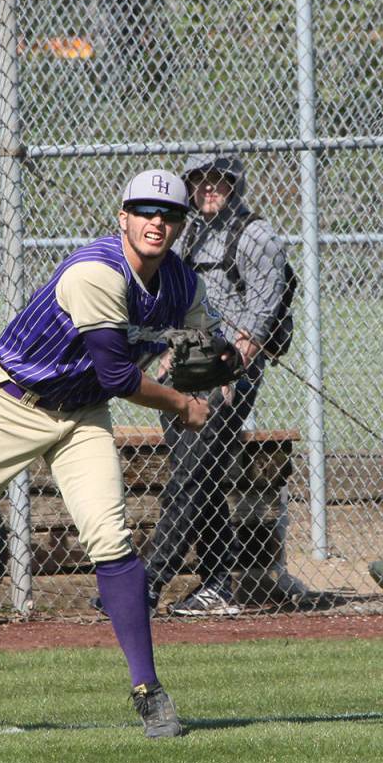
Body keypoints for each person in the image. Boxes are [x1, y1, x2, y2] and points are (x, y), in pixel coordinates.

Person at [0, 168, 236, 739]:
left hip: (81, 415)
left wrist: (227, 365)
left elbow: (204, 345)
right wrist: (182, 404)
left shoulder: (183, 285)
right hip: (11, 404)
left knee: (110, 537)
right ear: (123, 218)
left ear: (180, 225)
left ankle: (148, 690)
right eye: (144, 211)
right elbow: (118, 373)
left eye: (168, 215)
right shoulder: (96, 272)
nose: (156, 222)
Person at [146, 154, 293, 616]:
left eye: (219, 181)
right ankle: (218, 585)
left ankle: (147, 581)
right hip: (184, 369)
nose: (208, 188)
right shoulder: (188, 233)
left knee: (190, 474)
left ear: (235, 185)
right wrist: (164, 355)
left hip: (228, 376)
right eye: (199, 181)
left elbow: (265, 309)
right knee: (202, 474)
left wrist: (233, 372)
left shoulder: (257, 235)